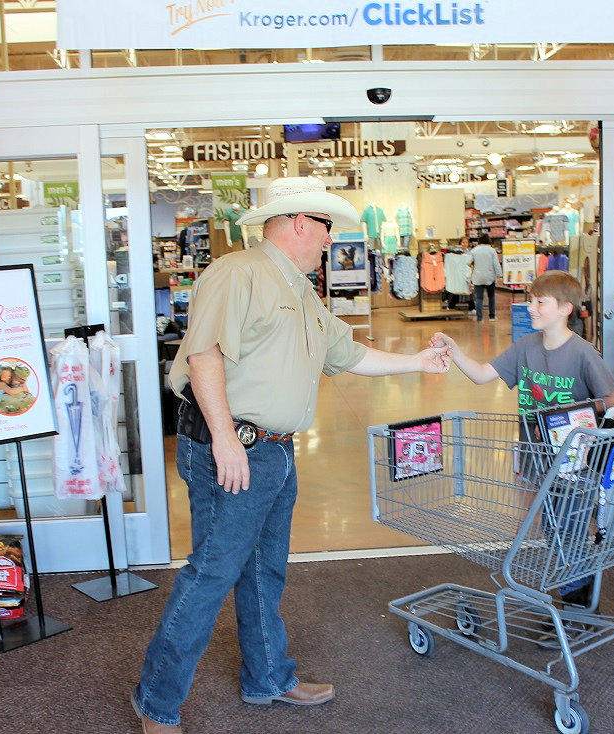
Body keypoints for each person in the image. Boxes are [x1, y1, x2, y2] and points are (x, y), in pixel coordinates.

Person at [132, 177, 451, 734]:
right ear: (300, 222)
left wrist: (419, 363)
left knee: (263, 571)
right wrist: (227, 437)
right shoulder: (236, 274)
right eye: (327, 227)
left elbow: (348, 355)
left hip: (274, 453)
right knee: (211, 574)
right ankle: (156, 702)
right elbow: (203, 356)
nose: (331, 240)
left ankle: (269, 678)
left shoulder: (301, 289)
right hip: (232, 449)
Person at [432, 270, 614, 607]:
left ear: (565, 308)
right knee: (554, 527)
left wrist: (575, 420)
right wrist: (456, 351)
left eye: (539, 302)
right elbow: (481, 375)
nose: (531, 307)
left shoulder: (582, 353)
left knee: (569, 531)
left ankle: (577, 605)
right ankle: (580, 590)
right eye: (531, 300)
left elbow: (612, 396)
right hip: (538, 458)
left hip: (575, 462)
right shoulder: (525, 348)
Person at [469, 235, 502, 322]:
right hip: (490, 277)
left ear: (479, 241)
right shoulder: (492, 250)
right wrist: (499, 274)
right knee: (491, 297)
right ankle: (492, 316)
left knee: (479, 298)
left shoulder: (474, 250)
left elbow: (468, 262)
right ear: (489, 241)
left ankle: (479, 318)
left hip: (478, 277)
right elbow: (496, 264)